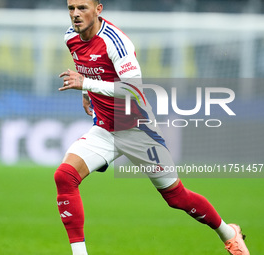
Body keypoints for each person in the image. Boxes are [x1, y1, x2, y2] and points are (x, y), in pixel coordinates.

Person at [55, 0, 250, 254]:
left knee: (176, 198)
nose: (75, 14)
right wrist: (87, 93)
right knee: (64, 176)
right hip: (104, 130)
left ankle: (229, 233)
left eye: (82, 7)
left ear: (99, 9)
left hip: (137, 130)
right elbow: (92, 70)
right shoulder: (70, 37)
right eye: (71, 8)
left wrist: (88, 85)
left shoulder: (116, 41)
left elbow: (134, 89)